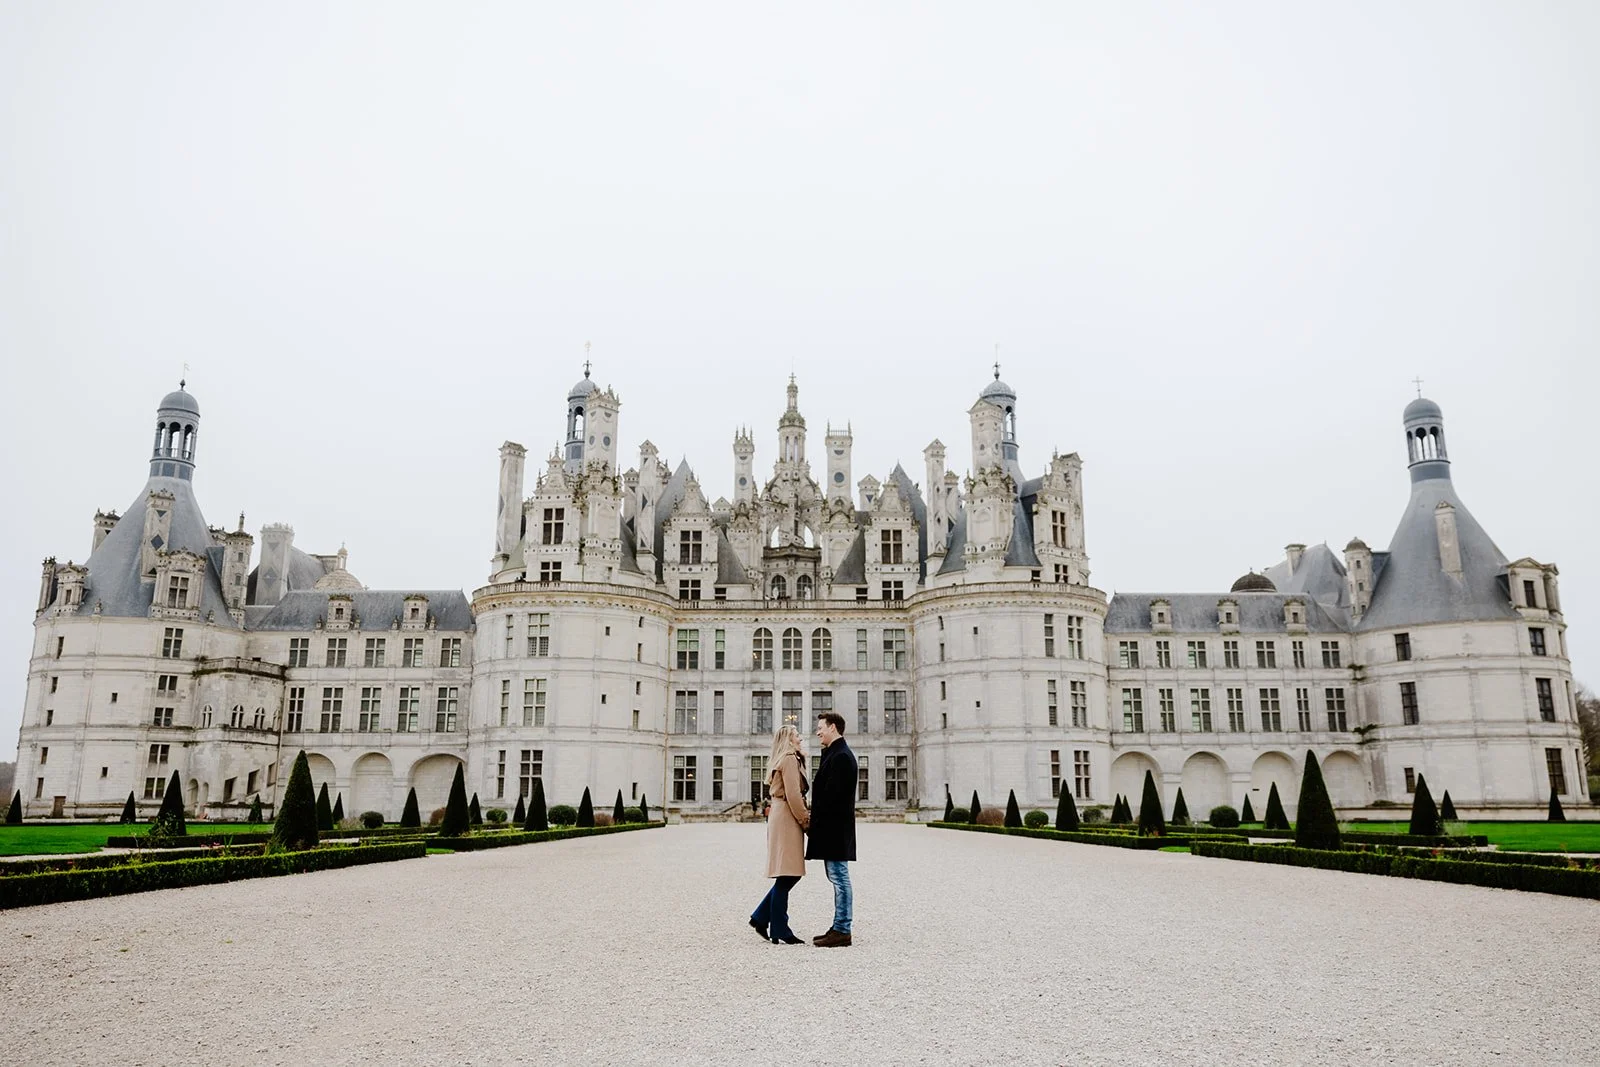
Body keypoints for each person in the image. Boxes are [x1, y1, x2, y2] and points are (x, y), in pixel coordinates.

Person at [749, 724, 809, 945]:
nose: (800, 739)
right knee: (789, 873)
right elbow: (793, 795)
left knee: (788, 873)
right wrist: (806, 821)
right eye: (797, 736)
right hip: (787, 816)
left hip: (780, 814)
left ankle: (761, 918)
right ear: (789, 740)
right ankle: (779, 927)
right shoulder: (790, 759)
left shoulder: (784, 759)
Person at [806, 710, 857, 947]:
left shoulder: (841, 757)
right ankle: (838, 926)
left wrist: (814, 824)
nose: (818, 732)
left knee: (839, 878)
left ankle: (843, 929)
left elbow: (832, 799)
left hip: (835, 830)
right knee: (836, 877)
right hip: (833, 829)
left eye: (821, 728)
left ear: (833, 728)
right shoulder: (836, 755)